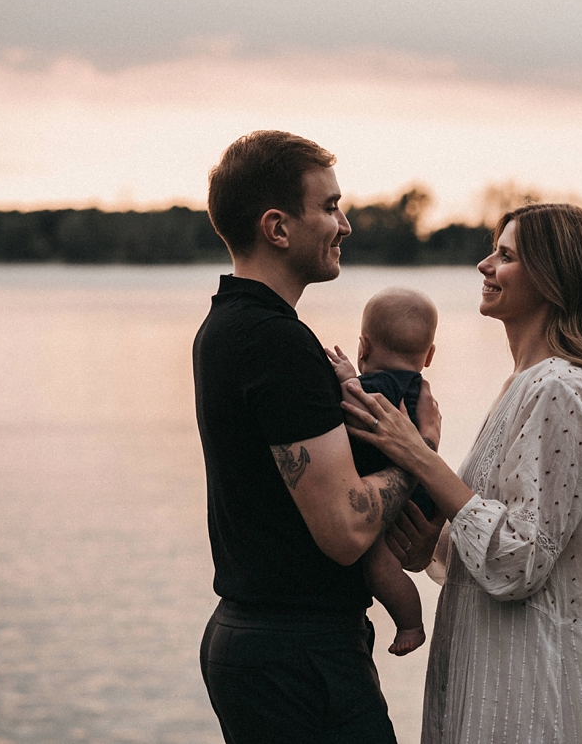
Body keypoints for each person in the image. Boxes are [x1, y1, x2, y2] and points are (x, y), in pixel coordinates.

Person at [345, 203, 582, 743]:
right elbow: (512, 535)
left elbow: (521, 560)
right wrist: (433, 546)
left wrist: (417, 454)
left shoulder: (560, 388)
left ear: (552, 279)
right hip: (499, 669)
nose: (484, 266)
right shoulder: (526, 385)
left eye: (505, 256)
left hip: (540, 688)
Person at [193, 130, 439, 744]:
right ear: (277, 227)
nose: (345, 224)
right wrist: (417, 451)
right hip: (297, 657)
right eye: (329, 206)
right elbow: (348, 527)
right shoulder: (276, 344)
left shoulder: (226, 326)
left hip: (262, 644)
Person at [326, 286, 441, 656]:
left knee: (378, 563)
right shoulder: (417, 387)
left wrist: (345, 378)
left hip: (400, 493)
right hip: (427, 491)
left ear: (364, 347)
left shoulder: (376, 386)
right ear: (429, 355)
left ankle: (411, 623)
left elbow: (355, 404)